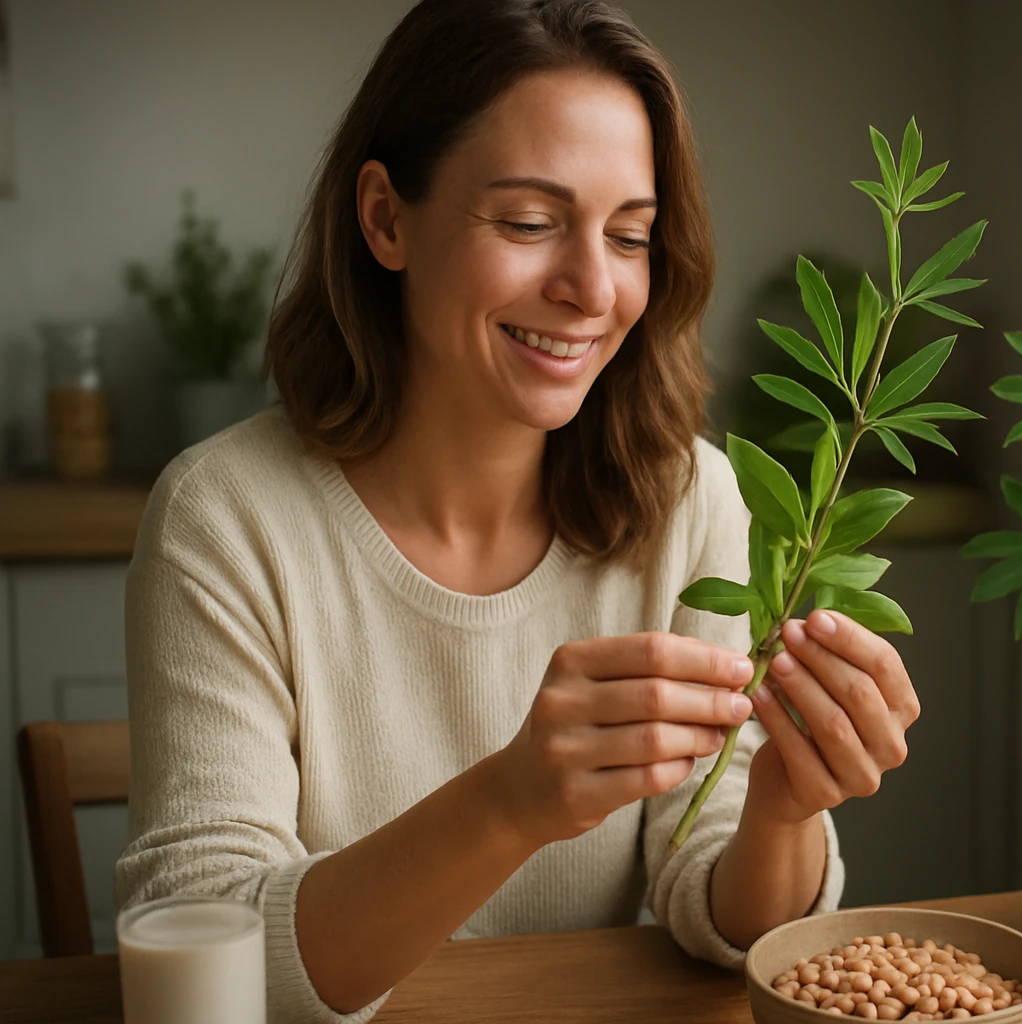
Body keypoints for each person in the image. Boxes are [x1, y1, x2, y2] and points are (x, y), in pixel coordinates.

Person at [114, 1, 922, 1020]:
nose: (592, 287)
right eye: (531, 223)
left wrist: (784, 803)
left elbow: (725, 911)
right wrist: (511, 800)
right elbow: (209, 950)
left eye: (630, 236)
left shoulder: (689, 498)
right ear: (385, 219)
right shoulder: (224, 519)